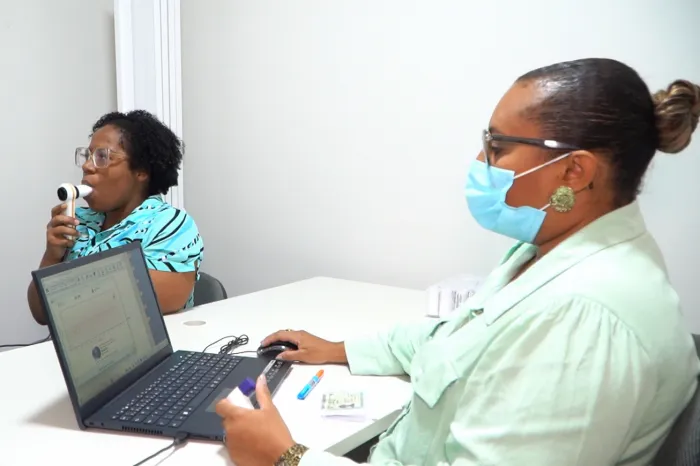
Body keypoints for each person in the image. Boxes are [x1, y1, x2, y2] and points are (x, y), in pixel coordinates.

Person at [214, 58, 700, 466]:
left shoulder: (584, 317)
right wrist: (340, 349)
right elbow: (455, 339)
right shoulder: (550, 251)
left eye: (498, 147)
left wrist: (286, 457)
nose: (480, 161)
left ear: (574, 171)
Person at [27, 110, 204, 324]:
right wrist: (52, 256)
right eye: (87, 155)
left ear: (141, 171)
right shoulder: (77, 221)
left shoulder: (170, 224)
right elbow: (41, 314)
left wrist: (63, 286)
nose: (87, 166)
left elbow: (141, 304)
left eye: (102, 156)